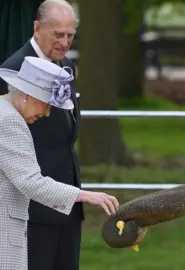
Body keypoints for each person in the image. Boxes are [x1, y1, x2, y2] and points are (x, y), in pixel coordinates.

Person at [0, 56, 119, 270]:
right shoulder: (9, 121)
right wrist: (83, 195)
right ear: (27, 95)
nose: (46, 113)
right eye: (46, 105)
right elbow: (30, 182)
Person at [0, 1, 85, 269]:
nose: (64, 42)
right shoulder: (14, 69)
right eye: (58, 34)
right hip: (33, 210)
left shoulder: (66, 65)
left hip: (68, 203)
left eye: (70, 35)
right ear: (37, 28)